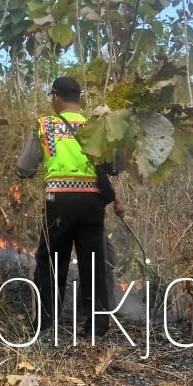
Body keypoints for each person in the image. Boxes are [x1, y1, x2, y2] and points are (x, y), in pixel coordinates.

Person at [16, 76, 123, 339]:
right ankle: (96, 327)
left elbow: (24, 168)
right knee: (94, 263)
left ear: (56, 97)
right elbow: (114, 166)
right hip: (91, 204)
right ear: (79, 99)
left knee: (51, 262)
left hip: (59, 203)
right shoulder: (96, 125)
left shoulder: (45, 125)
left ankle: (45, 325)